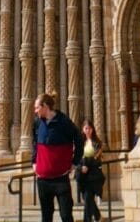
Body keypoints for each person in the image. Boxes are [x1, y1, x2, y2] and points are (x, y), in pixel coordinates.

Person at [32, 92, 83, 222]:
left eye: (37, 107)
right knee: (46, 217)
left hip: (61, 179)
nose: (35, 111)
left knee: (66, 216)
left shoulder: (63, 121)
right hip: (43, 180)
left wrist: (75, 162)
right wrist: (34, 161)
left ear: (45, 107)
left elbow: (79, 139)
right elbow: (35, 143)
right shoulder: (37, 122)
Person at [76, 119, 104, 222]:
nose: (88, 130)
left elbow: (97, 158)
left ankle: (87, 219)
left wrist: (87, 164)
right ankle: (97, 216)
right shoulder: (80, 143)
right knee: (87, 198)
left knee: (87, 198)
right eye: (86, 128)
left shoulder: (97, 143)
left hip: (93, 175)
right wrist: (81, 167)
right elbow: (76, 158)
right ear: (83, 129)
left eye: (89, 128)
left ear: (92, 129)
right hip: (82, 175)